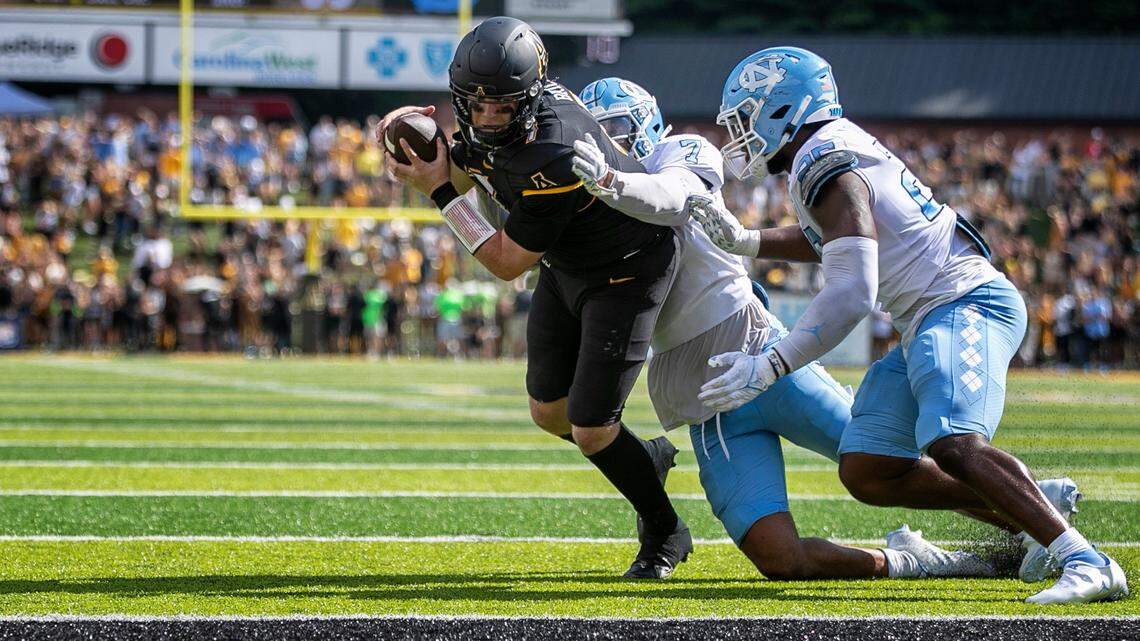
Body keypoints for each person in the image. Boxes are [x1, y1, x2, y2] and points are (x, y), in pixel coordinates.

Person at [687, 46, 1127, 604]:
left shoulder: (824, 160)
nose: (741, 135)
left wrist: (772, 364)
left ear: (785, 109)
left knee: (952, 440)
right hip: (926, 315)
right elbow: (837, 235)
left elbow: (852, 292)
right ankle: (1033, 509)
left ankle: (1087, 561)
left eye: (748, 117)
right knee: (868, 468)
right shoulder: (828, 153)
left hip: (965, 300)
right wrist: (748, 241)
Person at [571, 76, 989, 580]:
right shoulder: (586, 203)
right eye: (598, 132)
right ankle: (909, 561)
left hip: (755, 344)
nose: (610, 140)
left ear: (647, 124)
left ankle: (1030, 524)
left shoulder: (677, 153)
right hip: (703, 392)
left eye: (617, 126)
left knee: (884, 462)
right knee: (779, 559)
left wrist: (612, 181)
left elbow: (671, 195)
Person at [379, 17, 690, 579]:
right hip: (565, 261)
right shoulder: (501, 120)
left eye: (501, 106)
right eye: (475, 105)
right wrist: (409, 136)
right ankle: (641, 458)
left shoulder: (554, 150)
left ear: (526, 99)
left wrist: (439, 190)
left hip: (625, 269)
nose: (486, 118)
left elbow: (504, 262)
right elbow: (476, 169)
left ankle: (665, 529)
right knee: (550, 413)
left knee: (592, 427)